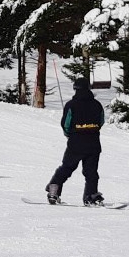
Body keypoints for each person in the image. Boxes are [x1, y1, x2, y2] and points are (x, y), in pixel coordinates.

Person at [46, 78, 105, 206]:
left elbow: (65, 124)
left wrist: (70, 134)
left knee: (67, 167)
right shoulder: (97, 104)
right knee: (91, 172)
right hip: (93, 143)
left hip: (76, 142)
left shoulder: (71, 105)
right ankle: (91, 196)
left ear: (75, 89)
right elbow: (101, 121)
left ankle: (54, 189)